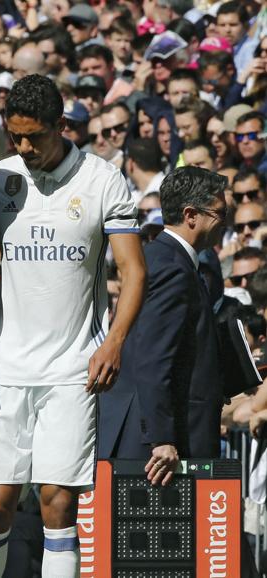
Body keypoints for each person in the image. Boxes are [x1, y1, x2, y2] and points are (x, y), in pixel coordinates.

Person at [0, 74, 146, 578]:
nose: (23, 147)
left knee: (57, 503)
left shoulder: (102, 179)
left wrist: (114, 342)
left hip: (73, 367)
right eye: (14, 136)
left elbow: (133, 270)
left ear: (61, 126)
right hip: (7, 367)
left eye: (34, 137)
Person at [99, 167, 228, 485]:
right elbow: (154, 356)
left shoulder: (160, 259)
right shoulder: (173, 269)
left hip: (152, 437)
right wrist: (162, 437)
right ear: (191, 215)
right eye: (220, 213)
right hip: (157, 451)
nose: (225, 222)